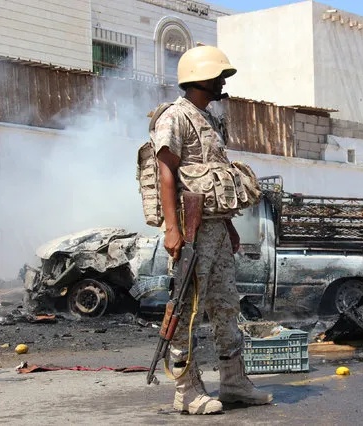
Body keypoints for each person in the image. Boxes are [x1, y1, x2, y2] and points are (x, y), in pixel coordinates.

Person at [152, 45, 273, 415]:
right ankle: (187, 391)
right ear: (198, 78)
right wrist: (172, 228)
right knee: (188, 306)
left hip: (216, 227)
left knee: (225, 305)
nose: (223, 81)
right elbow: (166, 172)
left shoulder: (212, 120)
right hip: (190, 230)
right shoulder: (176, 116)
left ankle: (234, 382)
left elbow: (216, 181)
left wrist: (231, 227)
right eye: (219, 75)